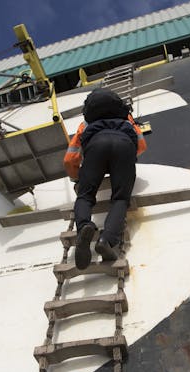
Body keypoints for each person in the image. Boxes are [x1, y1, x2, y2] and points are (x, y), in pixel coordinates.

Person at [63, 88, 147, 270]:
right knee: (120, 199)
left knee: (85, 197)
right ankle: (106, 240)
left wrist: (79, 177)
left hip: (96, 147)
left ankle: (85, 225)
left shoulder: (84, 125)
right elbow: (141, 146)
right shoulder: (127, 120)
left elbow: (70, 159)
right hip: (124, 146)